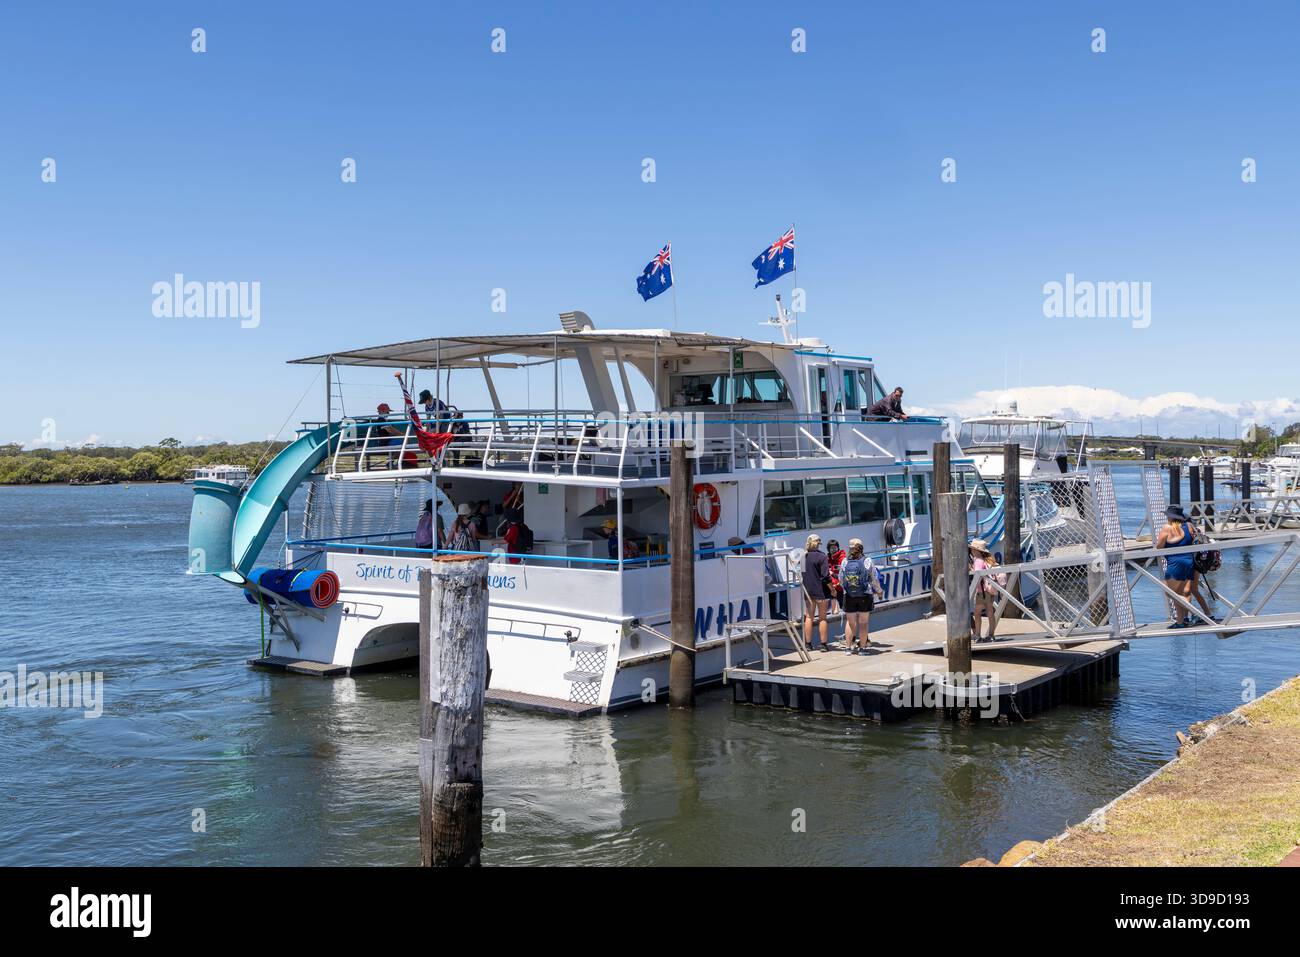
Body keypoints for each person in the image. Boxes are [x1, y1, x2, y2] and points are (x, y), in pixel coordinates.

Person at [838, 539, 883, 653]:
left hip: (849, 595)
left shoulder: (844, 561)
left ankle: (848, 648)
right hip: (865, 594)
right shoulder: (867, 561)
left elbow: (841, 579)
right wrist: (878, 591)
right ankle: (862, 649)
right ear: (861, 547)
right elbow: (873, 578)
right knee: (863, 623)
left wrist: (848, 589)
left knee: (850, 622)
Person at [1157, 505, 1198, 627]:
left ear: (1170, 516)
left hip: (1175, 563)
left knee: (1170, 592)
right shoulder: (1188, 527)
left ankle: (1194, 613)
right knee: (1179, 593)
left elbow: (1159, 546)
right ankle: (1180, 622)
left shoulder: (1167, 528)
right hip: (1189, 562)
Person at [969, 538, 1006, 640]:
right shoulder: (986, 560)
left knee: (977, 613)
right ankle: (991, 635)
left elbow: (977, 575)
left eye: (972, 549)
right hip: (990, 590)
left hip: (982, 591)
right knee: (990, 612)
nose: (971, 551)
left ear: (976, 550)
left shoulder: (978, 561)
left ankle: (977, 635)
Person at [802, 534, 832, 652]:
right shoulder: (822, 557)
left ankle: (808, 644)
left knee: (809, 617)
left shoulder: (803, 556)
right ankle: (823, 644)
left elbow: (803, 573)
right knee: (822, 618)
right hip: (820, 591)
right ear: (818, 544)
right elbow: (826, 577)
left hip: (808, 590)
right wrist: (833, 590)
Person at [825, 539, 845, 615]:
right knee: (835, 611)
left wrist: (832, 574)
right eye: (831, 548)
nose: (833, 550)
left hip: (840, 587)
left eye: (835, 548)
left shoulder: (842, 558)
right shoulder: (827, 558)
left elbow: (842, 574)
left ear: (838, 548)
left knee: (844, 607)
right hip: (832, 587)